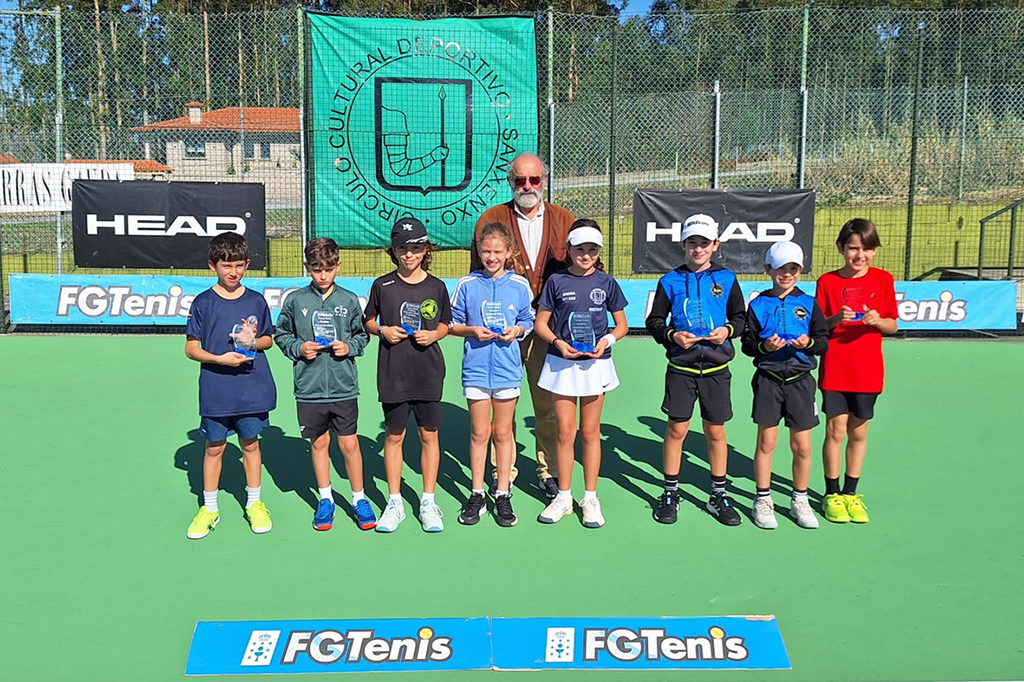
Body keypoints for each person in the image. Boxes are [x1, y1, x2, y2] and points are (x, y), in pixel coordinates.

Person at [472, 153, 575, 499]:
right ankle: (504, 473)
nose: (527, 186)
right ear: (510, 182)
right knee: (503, 406)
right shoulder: (491, 218)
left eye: (534, 179)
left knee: (547, 405)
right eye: (520, 180)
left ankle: (549, 470)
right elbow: (477, 275)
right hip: (501, 335)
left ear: (544, 179)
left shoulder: (563, 219)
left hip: (549, 329)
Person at [644, 214, 746, 527]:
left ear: (715, 245)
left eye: (704, 242)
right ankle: (670, 492)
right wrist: (672, 336)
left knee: (716, 432)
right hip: (681, 369)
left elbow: (740, 318)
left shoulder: (726, 279)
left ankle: (718, 494)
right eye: (692, 242)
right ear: (683, 245)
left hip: (717, 368)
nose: (698, 248)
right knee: (677, 430)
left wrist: (727, 331)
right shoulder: (670, 281)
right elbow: (654, 321)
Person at [274, 237, 377, 532]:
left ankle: (359, 498)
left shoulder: (348, 300)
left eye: (328, 269)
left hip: (343, 386)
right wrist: (298, 348)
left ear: (338, 266)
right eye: (317, 269)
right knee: (319, 443)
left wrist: (349, 347)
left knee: (349, 443)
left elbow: (362, 335)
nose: (322, 275)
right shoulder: (296, 301)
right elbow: (281, 334)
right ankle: (325, 499)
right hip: (309, 387)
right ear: (307, 267)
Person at [532, 220, 628, 529]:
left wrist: (606, 341)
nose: (586, 255)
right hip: (562, 364)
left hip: (596, 365)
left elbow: (622, 326)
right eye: (580, 249)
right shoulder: (556, 281)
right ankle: (563, 497)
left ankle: (590, 498)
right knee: (564, 431)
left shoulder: (607, 282)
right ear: (569, 250)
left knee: (589, 432)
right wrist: (558, 343)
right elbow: (541, 324)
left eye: (592, 250)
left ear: (598, 252)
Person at [184, 232, 276, 539]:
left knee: (251, 444)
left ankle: (255, 503)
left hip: (251, 388)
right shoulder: (203, 302)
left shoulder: (256, 300)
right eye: (226, 266)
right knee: (215, 447)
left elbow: (268, 340)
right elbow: (191, 349)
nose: (233, 272)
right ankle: (209, 508)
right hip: (217, 389)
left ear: (247, 264)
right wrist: (219, 359)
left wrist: (252, 341)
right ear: (213, 266)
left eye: (239, 265)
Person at [363, 218, 452, 533]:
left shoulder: (437, 287)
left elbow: (445, 323)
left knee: (429, 435)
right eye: (402, 248)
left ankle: (428, 501)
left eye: (415, 248)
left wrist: (434, 335)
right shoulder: (382, 285)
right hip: (394, 373)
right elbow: (369, 320)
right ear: (394, 250)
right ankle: (395, 502)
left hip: (428, 373)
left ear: (426, 249)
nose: (409, 254)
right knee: (394, 436)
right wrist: (383, 330)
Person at [450, 222, 536, 528]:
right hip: (475, 371)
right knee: (479, 433)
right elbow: (452, 323)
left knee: (502, 432)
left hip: (508, 371)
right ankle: (477, 493)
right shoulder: (467, 285)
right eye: (486, 251)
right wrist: (472, 330)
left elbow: (529, 318)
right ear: (479, 251)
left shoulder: (520, 285)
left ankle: (502, 493)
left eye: (498, 251)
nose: (492, 257)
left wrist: (518, 330)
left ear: (509, 252)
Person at [815, 218, 898, 524]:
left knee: (859, 432)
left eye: (866, 249)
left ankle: (851, 493)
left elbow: (892, 325)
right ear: (841, 248)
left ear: (874, 251)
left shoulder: (883, 280)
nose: (859, 255)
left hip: (868, 371)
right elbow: (818, 325)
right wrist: (837, 318)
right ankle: (832, 494)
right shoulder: (827, 282)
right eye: (852, 248)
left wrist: (878, 321)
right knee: (835, 430)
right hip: (836, 368)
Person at [741, 241, 829, 530]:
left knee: (802, 446)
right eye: (781, 268)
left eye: (793, 268)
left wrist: (809, 343)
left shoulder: (809, 303)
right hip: (768, 381)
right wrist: (765, 347)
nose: (787, 274)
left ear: (800, 270)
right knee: (766, 443)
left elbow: (823, 341)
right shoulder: (758, 305)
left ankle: (799, 500)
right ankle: (762, 500)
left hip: (800, 382)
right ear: (768, 269)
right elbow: (748, 345)